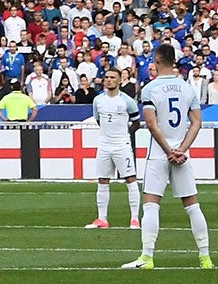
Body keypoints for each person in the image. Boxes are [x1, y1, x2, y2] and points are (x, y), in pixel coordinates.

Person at [126, 43, 210, 270]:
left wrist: (168, 150)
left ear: (156, 60)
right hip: (181, 153)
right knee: (192, 205)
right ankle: (205, 257)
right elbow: (197, 122)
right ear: (174, 61)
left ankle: (147, 257)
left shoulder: (150, 89)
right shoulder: (187, 88)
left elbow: (152, 125)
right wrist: (181, 149)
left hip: (159, 153)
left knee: (151, 205)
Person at [87, 67, 141, 230]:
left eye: (112, 77)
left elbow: (136, 122)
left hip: (121, 145)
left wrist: (124, 135)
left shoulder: (127, 101)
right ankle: (102, 219)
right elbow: (99, 120)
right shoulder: (98, 100)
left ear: (119, 80)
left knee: (130, 179)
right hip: (104, 145)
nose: (109, 80)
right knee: (103, 180)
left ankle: (134, 219)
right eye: (107, 77)